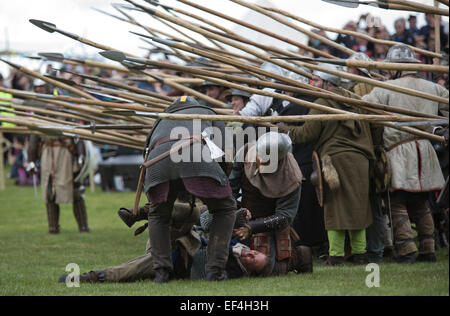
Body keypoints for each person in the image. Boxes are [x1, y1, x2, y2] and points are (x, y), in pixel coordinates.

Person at [279, 63, 377, 266]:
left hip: (335, 161)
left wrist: (285, 130)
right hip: (360, 160)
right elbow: (374, 126)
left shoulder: (322, 102)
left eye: (316, 80)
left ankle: (336, 255)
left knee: (335, 207)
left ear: (327, 83)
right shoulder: (356, 100)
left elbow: (307, 133)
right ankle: (360, 254)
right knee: (358, 206)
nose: (312, 83)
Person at [362, 44, 449, 264]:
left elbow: (362, 106)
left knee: (397, 202)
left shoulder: (386, 88)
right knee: (421, 203)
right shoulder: (433, 88)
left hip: (399, 152)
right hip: (426, 150)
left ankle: (407, 250)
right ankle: (427, 249)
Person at [143, 96, 236, 283]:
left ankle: (161, 273)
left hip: (158, 161)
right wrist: (220, 181)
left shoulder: (160, 120)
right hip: (193, 154)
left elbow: (146, 151)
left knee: (158, 214)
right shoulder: (208, 112)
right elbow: (227, 154)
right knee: (225, 208)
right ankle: (215, 271)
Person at [229, 132, 313, 275]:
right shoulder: (244, 153)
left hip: (270, 225)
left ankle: (299, 256)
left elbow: (285, 216)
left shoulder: (291, 176)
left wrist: (251, 228)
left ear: (279, 159)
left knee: (270, 269)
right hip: (242, 216)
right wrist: (233, 215)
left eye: (267, 160)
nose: (260, 161)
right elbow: (231, 189)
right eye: (259, 155)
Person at [28, 134, 89, 234]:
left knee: (75, 191)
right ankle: (53, 227)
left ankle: (83, 226)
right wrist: (31, 160)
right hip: (47, 153)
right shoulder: (43, 117)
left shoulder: (69, 118)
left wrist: (81, 155)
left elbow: (77, 134)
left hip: (66, 153)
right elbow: (34, 139)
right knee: (50, 191)